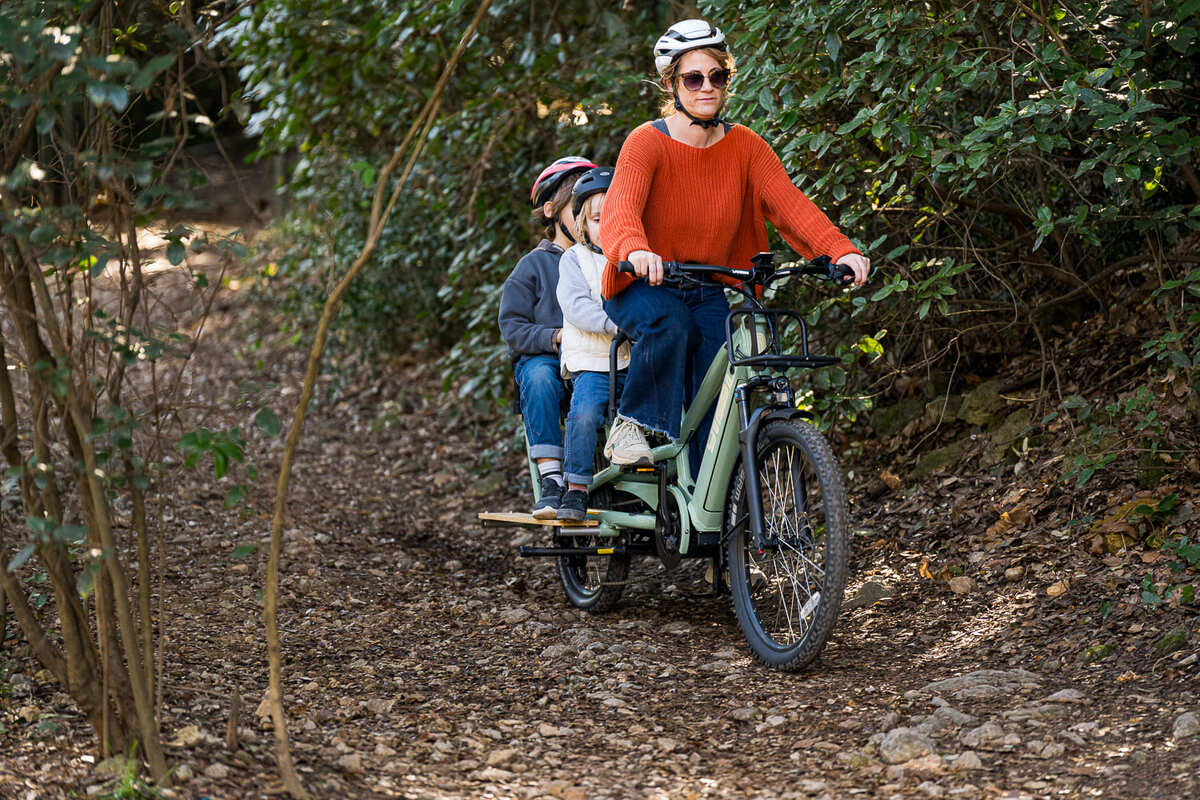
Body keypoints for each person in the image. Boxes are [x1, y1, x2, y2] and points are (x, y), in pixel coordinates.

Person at [598, 18, 871, 468]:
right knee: (672, 325)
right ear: (672, 84)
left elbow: (790, 205)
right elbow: (621, 208)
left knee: (722, 382)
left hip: (707, 288)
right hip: (642, 285)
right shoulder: (646, 142)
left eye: (717, 76)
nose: (707, 87)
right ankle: (630, 423)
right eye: (693, 78)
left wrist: (838, 249)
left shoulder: (745, 146)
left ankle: (715, 515)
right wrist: (634, 249)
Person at [499, 155, 597, 518]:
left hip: (595, 360)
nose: (586, 217)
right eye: (577, 208)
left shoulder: (600, 262)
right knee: (539, 375)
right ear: (552, 210)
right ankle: (551, 478)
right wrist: (554, 337)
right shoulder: (534, 266)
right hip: (550, 360)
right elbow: (512, 326)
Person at [554, 166, 632, 521]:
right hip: (594, 362)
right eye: (599, 219)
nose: (607, 226)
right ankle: (576, 488)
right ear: (584, 225)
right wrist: (613, 324)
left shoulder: (635, 259)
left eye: (615, 217)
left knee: (653, 416)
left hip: (632, 362)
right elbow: (576, 307)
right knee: (584, 416)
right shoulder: (575, 260)